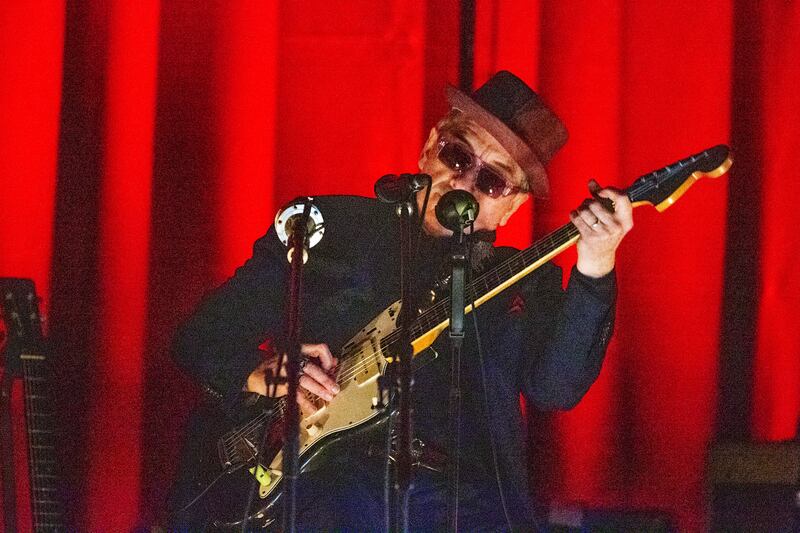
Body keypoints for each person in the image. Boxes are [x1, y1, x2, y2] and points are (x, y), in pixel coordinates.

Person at [169, 70, 633, 530]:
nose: (463, 183)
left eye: (492, 181)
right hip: (323, 485)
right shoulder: (328, 228)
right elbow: (202, 338)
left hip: (460, 499)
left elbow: (555, 388)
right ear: (429, 146)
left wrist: (596, 263)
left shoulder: (524, 284)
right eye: (457, 155)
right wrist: (262, 374)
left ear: (510, 207)